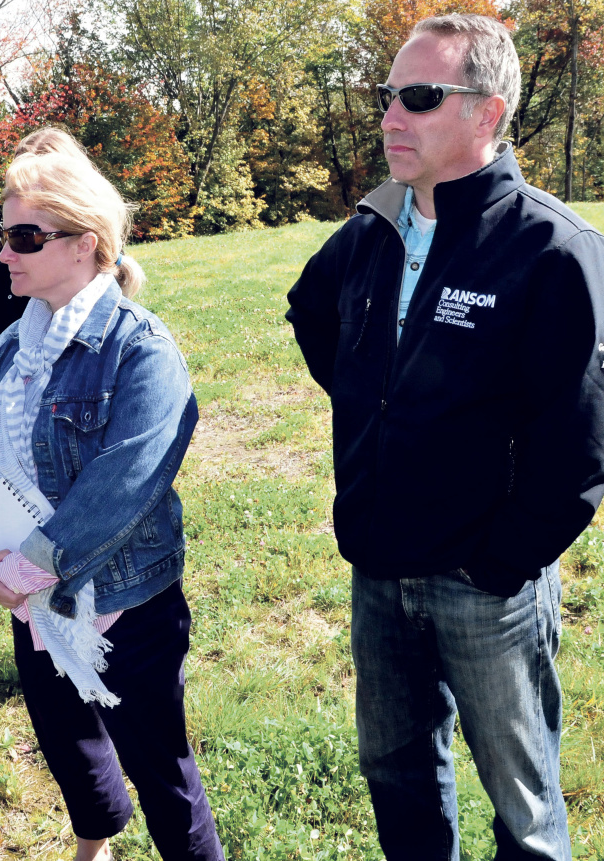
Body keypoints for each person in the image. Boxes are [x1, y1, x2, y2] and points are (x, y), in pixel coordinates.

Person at [286, 14, 604, 860]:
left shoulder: (551, 247)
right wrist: (379, 408)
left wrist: (502, 560)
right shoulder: (373, 227)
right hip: (379, 563)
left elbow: (580, 443)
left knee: (525, 810)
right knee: (395, 777)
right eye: (389, 94)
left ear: (487, 113)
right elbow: (311, 313)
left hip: (486, 584)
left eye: (420, 97)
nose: (391, 115)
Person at [0, 148, 225, 861]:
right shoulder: (13, 344)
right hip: (28, 596)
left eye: (24, 238)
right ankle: (93, 844)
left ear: (85, 245)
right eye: (2, 235)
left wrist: (22, 571)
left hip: (123, 604)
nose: (3, 253)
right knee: (68, 740)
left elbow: (127, 482)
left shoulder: (142, 348)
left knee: (160, 766)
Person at [0, 127, 89, 356]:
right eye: (9, 235)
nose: (6, 254)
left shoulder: (135, 347)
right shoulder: (4, 265)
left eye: (25, 237)